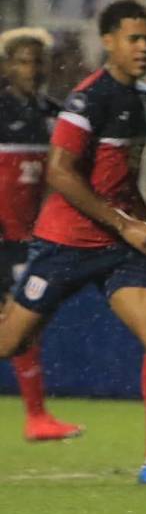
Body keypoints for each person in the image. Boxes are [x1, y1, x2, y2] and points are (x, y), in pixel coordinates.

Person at [0, 0, 146, 485]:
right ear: (108, 42)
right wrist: (126, 225)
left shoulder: (140, 98)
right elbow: (60, 172)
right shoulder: (88, 99)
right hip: (65, 242)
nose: (144, 48)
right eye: (133, 39)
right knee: (11, 340)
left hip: (119, 245)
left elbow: (121, 182)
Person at [0, 27, 83, 441]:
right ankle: (36, 416)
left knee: (22, 324)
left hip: (27, 237)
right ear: (5, 67)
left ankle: (38, 416)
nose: (32, 69)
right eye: (22, 61)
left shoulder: (53, 115)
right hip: (4, 236)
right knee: (23, 322)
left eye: (38, 61)